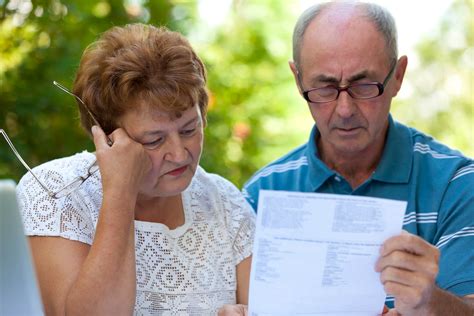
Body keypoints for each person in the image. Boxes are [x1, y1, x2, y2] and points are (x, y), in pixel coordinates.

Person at [241, 1, 474, 315]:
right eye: (324, 87)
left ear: (398, 76)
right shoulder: (260, 197)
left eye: (364, 85)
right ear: (298, 80)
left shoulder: (457, 186)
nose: (345, 109)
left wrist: (429, 301)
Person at [15, 23, 255, 315]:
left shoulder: (224, 201)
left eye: (190, 129)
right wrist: (120, 191)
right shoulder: (53, 194)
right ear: (107, 137)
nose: (179, 154)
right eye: (154, 140)